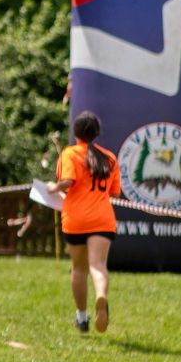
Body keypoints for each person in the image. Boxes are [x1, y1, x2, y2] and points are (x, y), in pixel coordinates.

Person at [46, 110, 121, 334]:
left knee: (79, 269)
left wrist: (53, 188)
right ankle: (101, 295)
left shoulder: (70, 154)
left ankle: (82, 317)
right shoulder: (109, 158)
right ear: (96, 133)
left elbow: (68, 181)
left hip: (76, 219)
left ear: (75, 132)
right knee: (98, 266)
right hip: (102, 219)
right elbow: (115, 192)